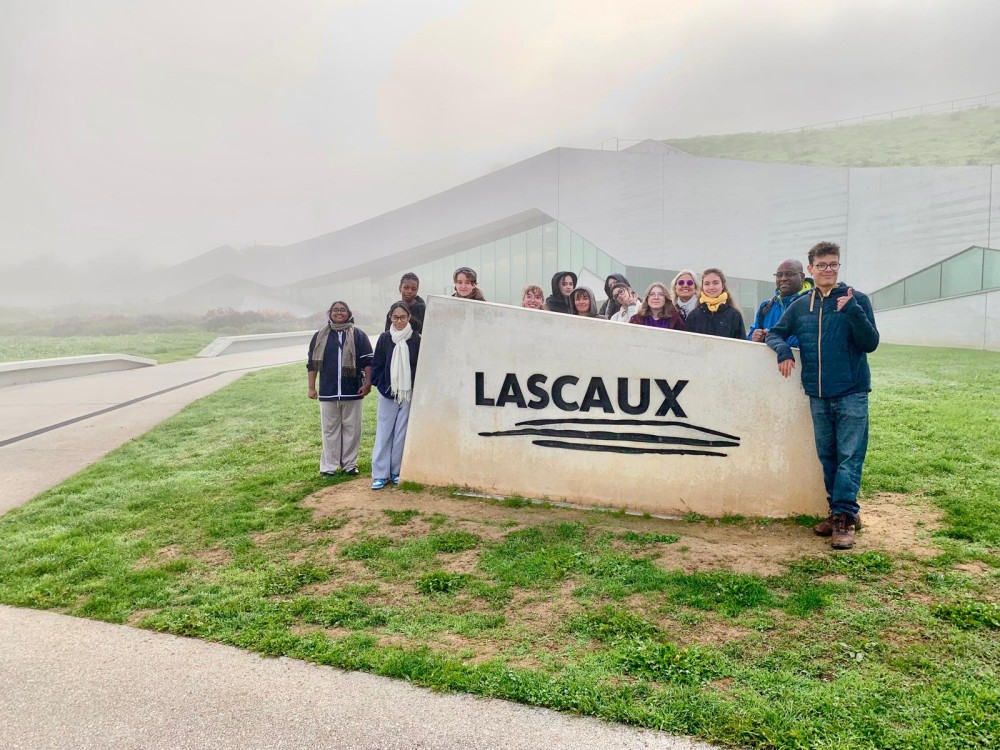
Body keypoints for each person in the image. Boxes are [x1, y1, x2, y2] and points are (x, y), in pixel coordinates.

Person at [766, 241, 879, 550]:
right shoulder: (801, 305)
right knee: (827, 456)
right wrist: (782, 351)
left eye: (834, 264)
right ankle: (839, 510)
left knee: (849, 456)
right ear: (811, 269)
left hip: (852, 392)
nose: (828, 270)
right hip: (817, 394)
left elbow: (870, 343)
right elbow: (775, 332)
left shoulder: (856, 299)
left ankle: (844, 518)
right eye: (822, 265)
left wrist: (853, 311)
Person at [306, 301, 373, 477]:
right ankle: (329, 466)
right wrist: (311, 387)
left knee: (352, 429)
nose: (339, 312)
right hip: (328, 391)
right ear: (330, 313)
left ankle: (350, 465)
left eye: (343, 310)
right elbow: (311, 364)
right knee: (330, 430)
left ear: (348, 313)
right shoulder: (320, 336)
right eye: (335, 310)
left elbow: (368, 362)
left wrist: (367, 384)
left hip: (353, 390)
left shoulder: (358, 335)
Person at [370, 301, 420, 490]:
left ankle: (396, 471)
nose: (399, 321)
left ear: (409, 317)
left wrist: (412, 385)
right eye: (395, 317)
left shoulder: (415, 338)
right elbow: (377, 363)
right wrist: (380, 383)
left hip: (407, 393)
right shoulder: (385, 338)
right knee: (384, 433)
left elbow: (418, 364)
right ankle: (380, 474)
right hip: (388, 391)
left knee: (401, 433)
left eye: (403, 317)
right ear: (390, 318)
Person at [748, 260, 813, 344]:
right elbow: (750, 337)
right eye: (779, 275)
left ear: (802, 276)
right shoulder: (766, 306)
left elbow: (812, 340)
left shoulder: (814, 304)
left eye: (789, 274)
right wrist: (754, 337)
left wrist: (772, 337)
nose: (783, 278)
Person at [685, 268, 746, 339]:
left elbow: (741, 343)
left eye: (715, 283)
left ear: (723, 286)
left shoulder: (734, 315)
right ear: (702, 287)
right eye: (707, 284)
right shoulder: (693, 316)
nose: (711, 287)